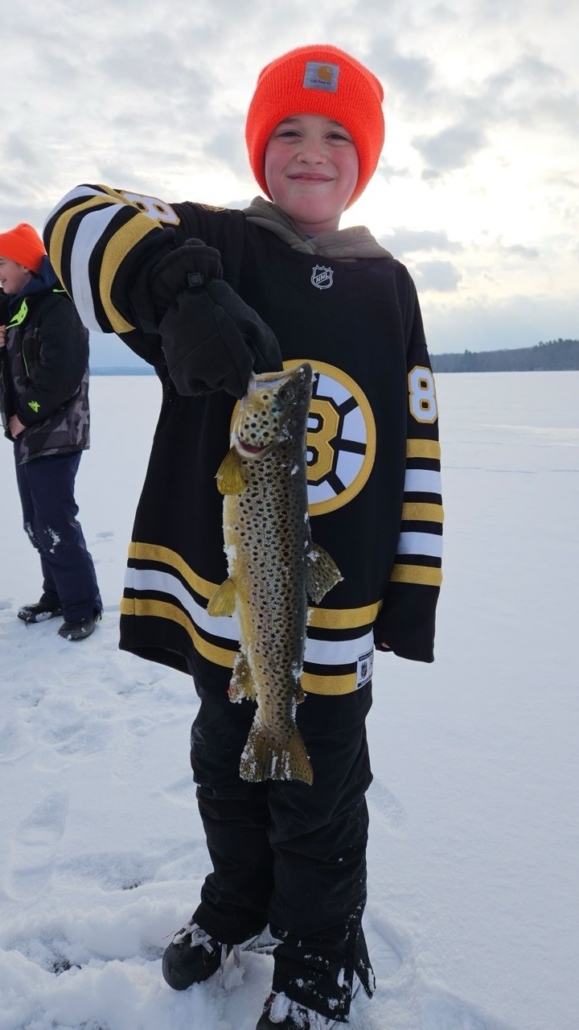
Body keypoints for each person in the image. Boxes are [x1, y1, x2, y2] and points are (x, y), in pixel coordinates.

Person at [43, 44, 443, 1028]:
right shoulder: (214, 243)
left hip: (338, 611)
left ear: (369, 159)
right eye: (289, 134)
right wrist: (179, 288)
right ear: (260, 152)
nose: (312, 153)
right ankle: (238, 903)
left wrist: (413, 587)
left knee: (322, 796)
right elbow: (71, 220)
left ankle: (315, 950)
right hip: (223, 601)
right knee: (225, 767)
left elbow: (419, 445)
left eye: (338, 136)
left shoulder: (389, 285)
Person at [0, 223, 102, 641]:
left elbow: (63, 372)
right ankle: (56, 595)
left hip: (56, 431)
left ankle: (83, 607)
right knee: (36, 521)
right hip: (29, 434)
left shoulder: (58, 306)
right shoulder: (19, 306)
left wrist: (26, 414)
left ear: (25, 264)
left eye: (1, 262)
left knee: (55, 519)